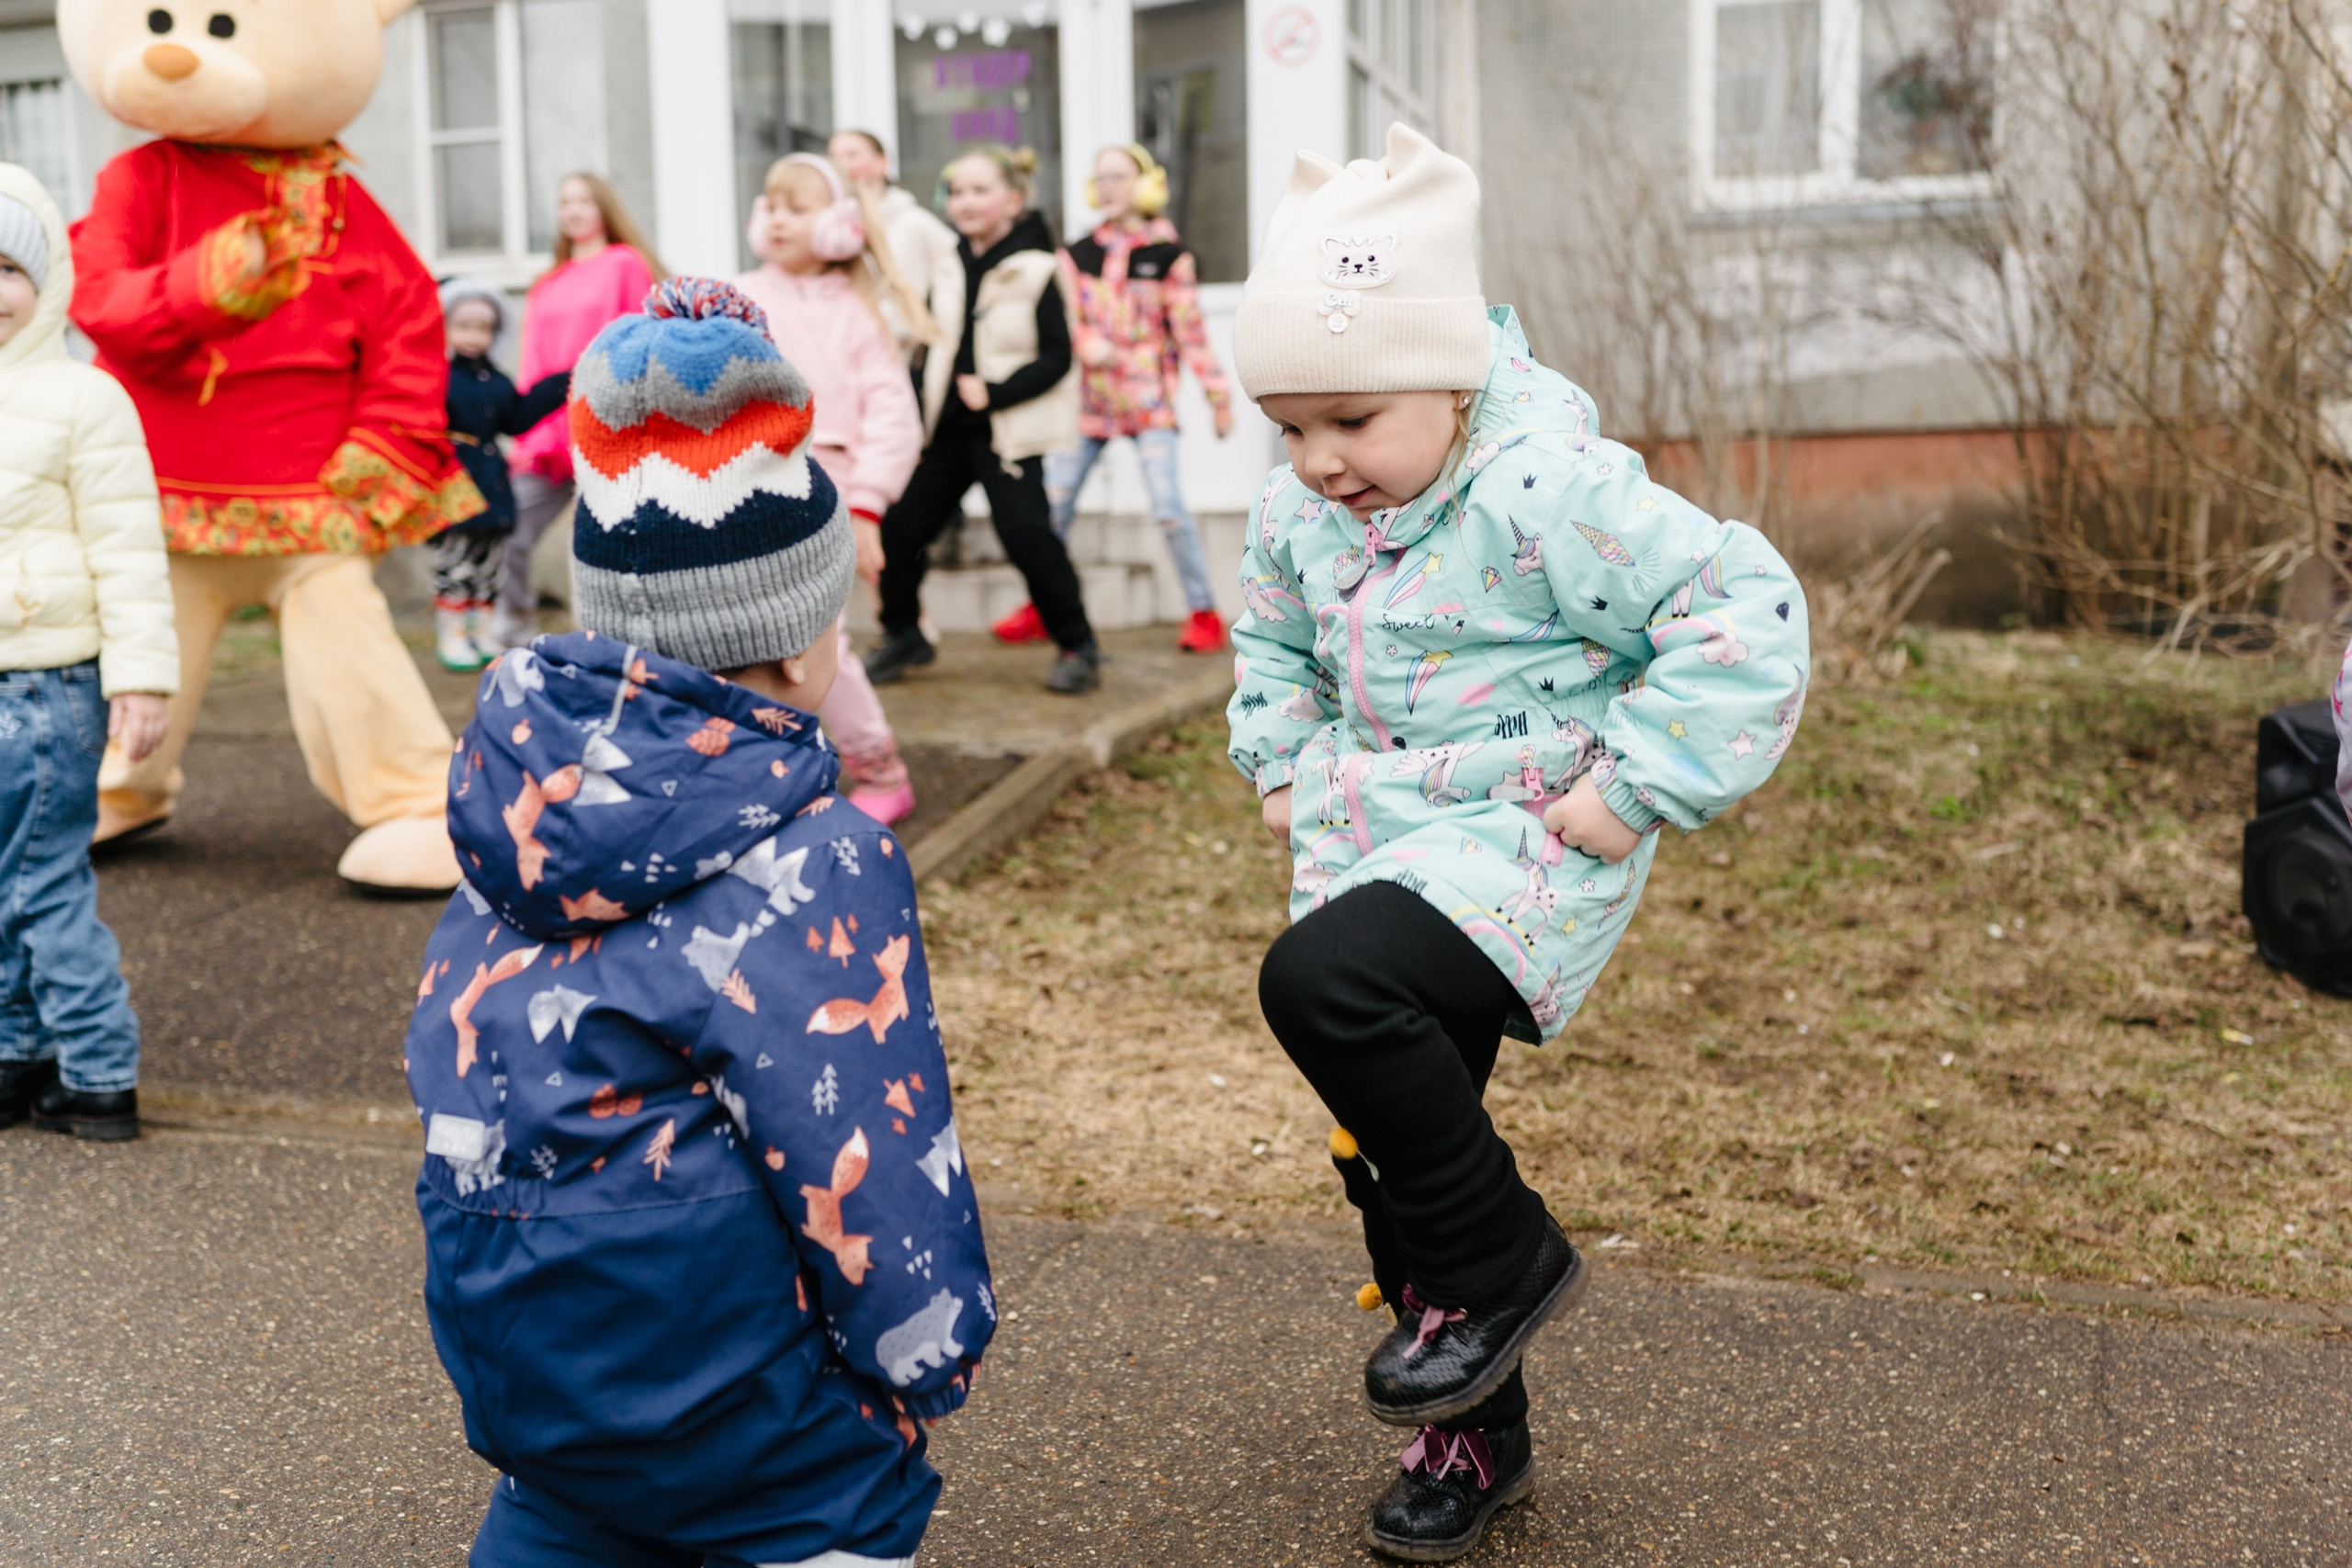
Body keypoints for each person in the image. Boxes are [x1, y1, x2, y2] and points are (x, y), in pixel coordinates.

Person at [1227, 125, 1812, 1562]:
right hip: (1382, 832)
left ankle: (1508, 1261)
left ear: (1454, 374)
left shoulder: (1545, 490)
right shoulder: (1306, 509)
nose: (1317, 463)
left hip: (1530, 835)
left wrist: (1642, 782)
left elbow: (1749, 608)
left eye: (1351, 421)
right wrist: (1281, 762)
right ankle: (1476, 1434)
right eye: (1289, 428)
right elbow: (1274, 641)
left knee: (1321, 985)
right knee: (1393, 1154)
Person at [406, 279, 992, 1567]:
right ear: (794, 645)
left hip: (546, 1415)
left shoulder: (512, 811)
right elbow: (866, 1132)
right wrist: (927, 1347)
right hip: (771, 1452)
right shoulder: (818, 854)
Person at [0, 164, 175, 1142]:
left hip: (46, 684)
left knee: (42, 884)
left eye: (5, 268)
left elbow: (126, 547)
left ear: (44, 279)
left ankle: (99, 1067)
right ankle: (17, 1055)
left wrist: (140, 678)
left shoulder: (83, 398)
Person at [737, 152, 934, 825]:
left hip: (828, 492)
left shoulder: (858, 314)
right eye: (772, 205)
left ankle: (878, 765)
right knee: (750, 639)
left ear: (839, 226)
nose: (779, 218)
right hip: (743, 488)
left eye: (798, 207)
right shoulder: (736, 298)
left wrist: (868, 506)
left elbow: (894, 416)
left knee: (821, 638)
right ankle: (769, 768)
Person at [864, 145, 1101, 695]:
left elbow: (1057, 357)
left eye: (979, 190)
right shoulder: (947, 265)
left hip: (1006, 435)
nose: (964, 202)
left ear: (1013, 200)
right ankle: (903, 634)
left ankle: (1078, 645)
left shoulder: (1039, 268)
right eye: (957, 191)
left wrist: (994, 392)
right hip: (945, 431)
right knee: (899, 528)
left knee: (1026, 535)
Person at [996, 143, 1234, 654]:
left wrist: (1218, 396)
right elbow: (1065, 319)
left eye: (1119, 177)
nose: (1108, 187)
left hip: (1149, 404)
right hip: (1090, 406)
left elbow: (1190, 331)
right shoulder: (1077, 253)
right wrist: (1084, 344)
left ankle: (1203, 612)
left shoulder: (1169, 257)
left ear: (1146, 184)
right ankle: (1045, 604)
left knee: (1168, 506)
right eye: (1100, 178)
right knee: (1051, 507)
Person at [500, 173, 663, 648]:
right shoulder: (546, 282)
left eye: (584, 201)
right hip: (549, 433)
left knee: (600, 545)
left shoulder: (624, 263)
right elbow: (533, 359)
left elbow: (637, 336)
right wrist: (526, 431)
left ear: (603, 208)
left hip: (607, 424)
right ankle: (513, 633)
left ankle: (607, 643)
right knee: (508, 525)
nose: (573, 210)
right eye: (564, 201)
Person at [432, 278, 571, 671]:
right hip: (454, 480)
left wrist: (559, 385)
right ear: (444, 327)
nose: (473, 337)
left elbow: (517, 420)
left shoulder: (496, 380)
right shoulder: (437, 376)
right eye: (463, 327)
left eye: (482, 329)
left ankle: (483, 630)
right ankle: (453, 632)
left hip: (492, 480)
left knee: (490, 563)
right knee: (457, 561)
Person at [827, 129, 960, 374]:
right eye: (834, 156)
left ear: (882, 163)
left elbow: (950, 295)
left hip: (903, 360)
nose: (842, 164)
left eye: (852, 154)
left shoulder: (916, 222)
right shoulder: (829, 229)